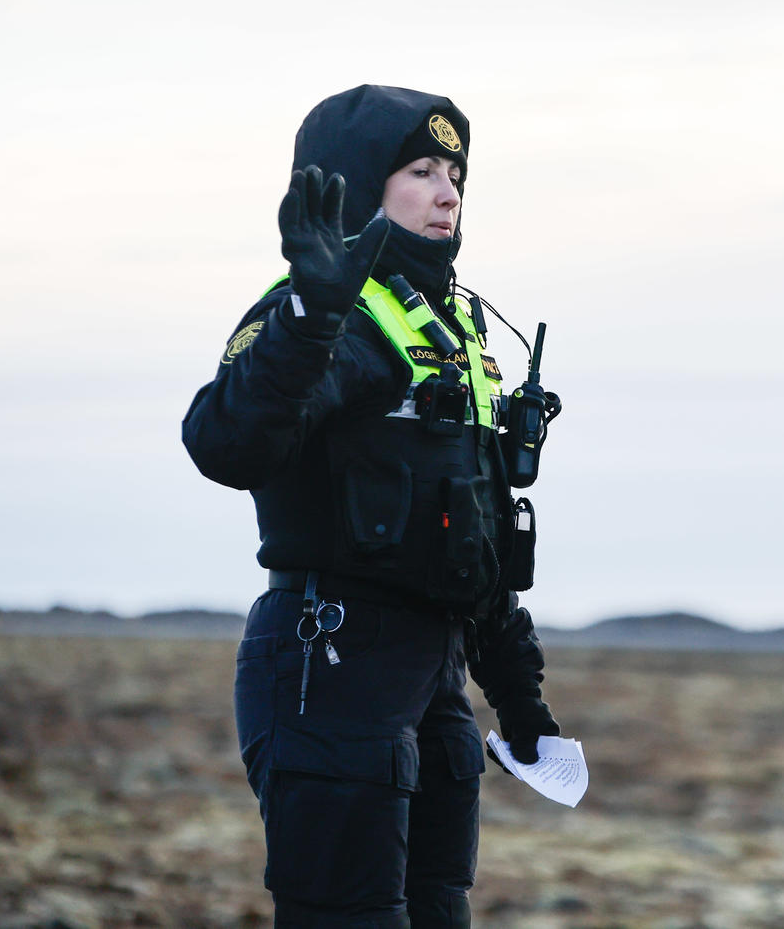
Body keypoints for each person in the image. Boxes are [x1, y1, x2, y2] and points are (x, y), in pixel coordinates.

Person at [183, 85, 563, 928]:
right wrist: (310, 317)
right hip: (330, 670)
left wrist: (520, 696)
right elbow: (225, 443)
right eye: (420, 171)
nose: (447, 191)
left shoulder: (450, 330)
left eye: (455, 172)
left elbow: (477, 535)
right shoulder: (324, 320)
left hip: (432, 685)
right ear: (356, 186)